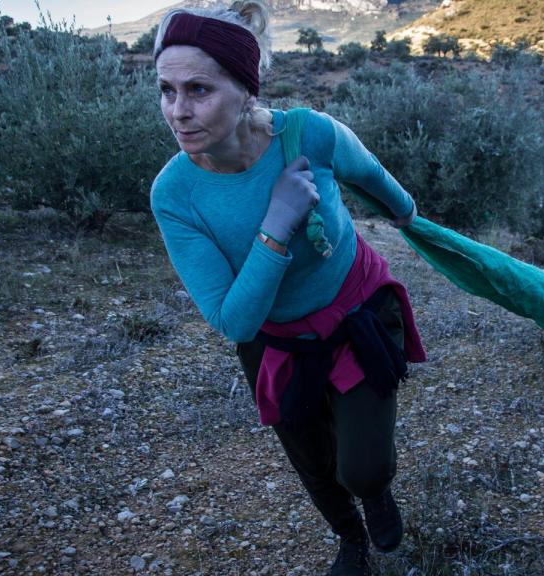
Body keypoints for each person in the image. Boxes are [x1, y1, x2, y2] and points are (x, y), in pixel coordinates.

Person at [148, 3, 426, 575]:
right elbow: (235, 321)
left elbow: (370, 173)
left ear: (246, 89)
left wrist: (405, 213)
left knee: (363, 467)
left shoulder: (310, 134)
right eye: (166, 90)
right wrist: (278, 221)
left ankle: (374, 495)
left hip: (357, 313)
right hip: (275, 341)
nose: (178, 111)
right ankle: (350, 540)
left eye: (198, 89)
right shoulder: (174, 194)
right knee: (312, 462)